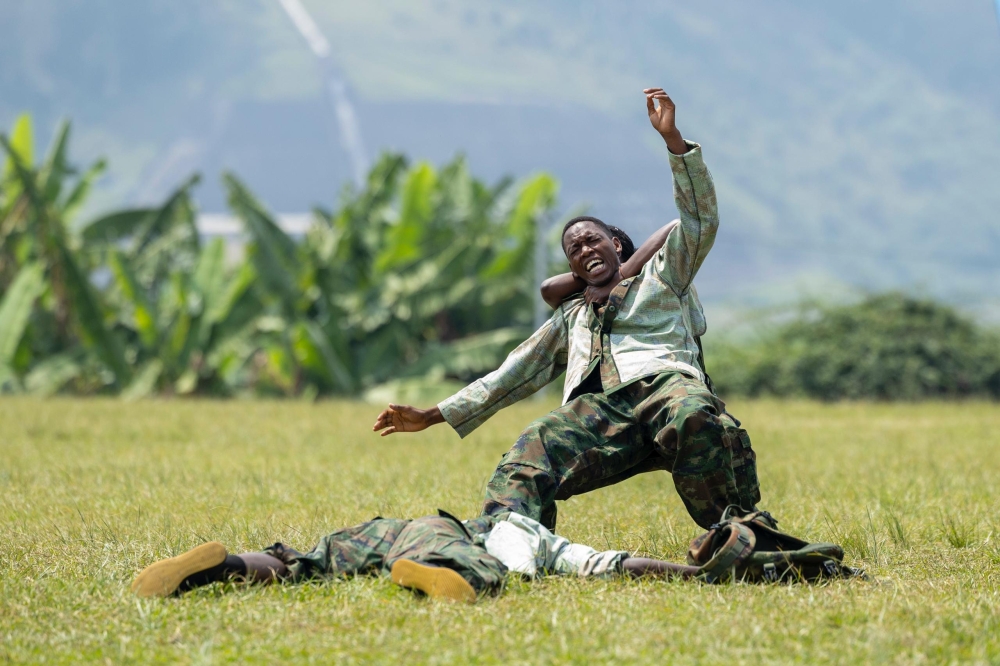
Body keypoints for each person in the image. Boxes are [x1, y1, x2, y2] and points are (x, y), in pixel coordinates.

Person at [373, 87, 761, 531]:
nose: (585, 249)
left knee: (694, 414)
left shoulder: (663, 276)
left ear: (616, 245)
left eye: (593, 240)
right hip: (599, 414)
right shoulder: (571, 315)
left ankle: (743, 537)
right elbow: (510, 375)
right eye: (574, 250)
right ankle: (508, 544)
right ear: (571, 268)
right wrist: (431, 415)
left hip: (666, 389)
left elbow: (696, 220)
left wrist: (673, 141)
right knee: (529, 450)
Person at [131, 511, 697, 602]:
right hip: (440, 539)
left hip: (393, 527)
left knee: (310, 562)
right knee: (481, 570)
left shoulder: (489, 514)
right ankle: (429, 577)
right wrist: (691, 573)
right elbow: (619, 565)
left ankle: (224, 567)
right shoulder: (528, 532)